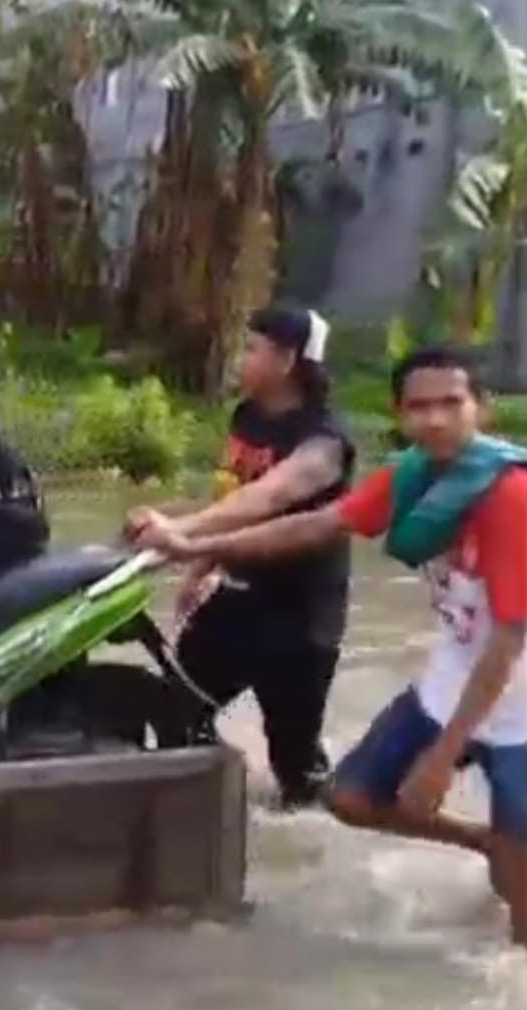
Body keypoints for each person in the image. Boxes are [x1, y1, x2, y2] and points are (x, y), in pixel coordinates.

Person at [133, 345, 527, 949]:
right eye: (418, 407)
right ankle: (490, 842)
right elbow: (315, 524)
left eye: (451, 404)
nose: (434, 420)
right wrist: (194, 547)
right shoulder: (414, 477)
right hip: (454, 671)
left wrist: (438, 759)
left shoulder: (510, 496)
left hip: (523, 698)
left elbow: (509, 639)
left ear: (481, 410)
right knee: (350, 796)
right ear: (399, 414)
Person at [127, 306, 355, 808]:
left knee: (295, 766)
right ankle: (213, 811)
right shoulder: (246, 417)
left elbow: (269, 496)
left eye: (252, 348)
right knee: (176, 713)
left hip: (300, 620)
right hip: (236, 600)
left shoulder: (326, 440)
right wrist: (198, 568)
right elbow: (231, 496)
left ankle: (317, 841)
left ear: (287, 360)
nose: (239, 358)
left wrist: (177, 532)